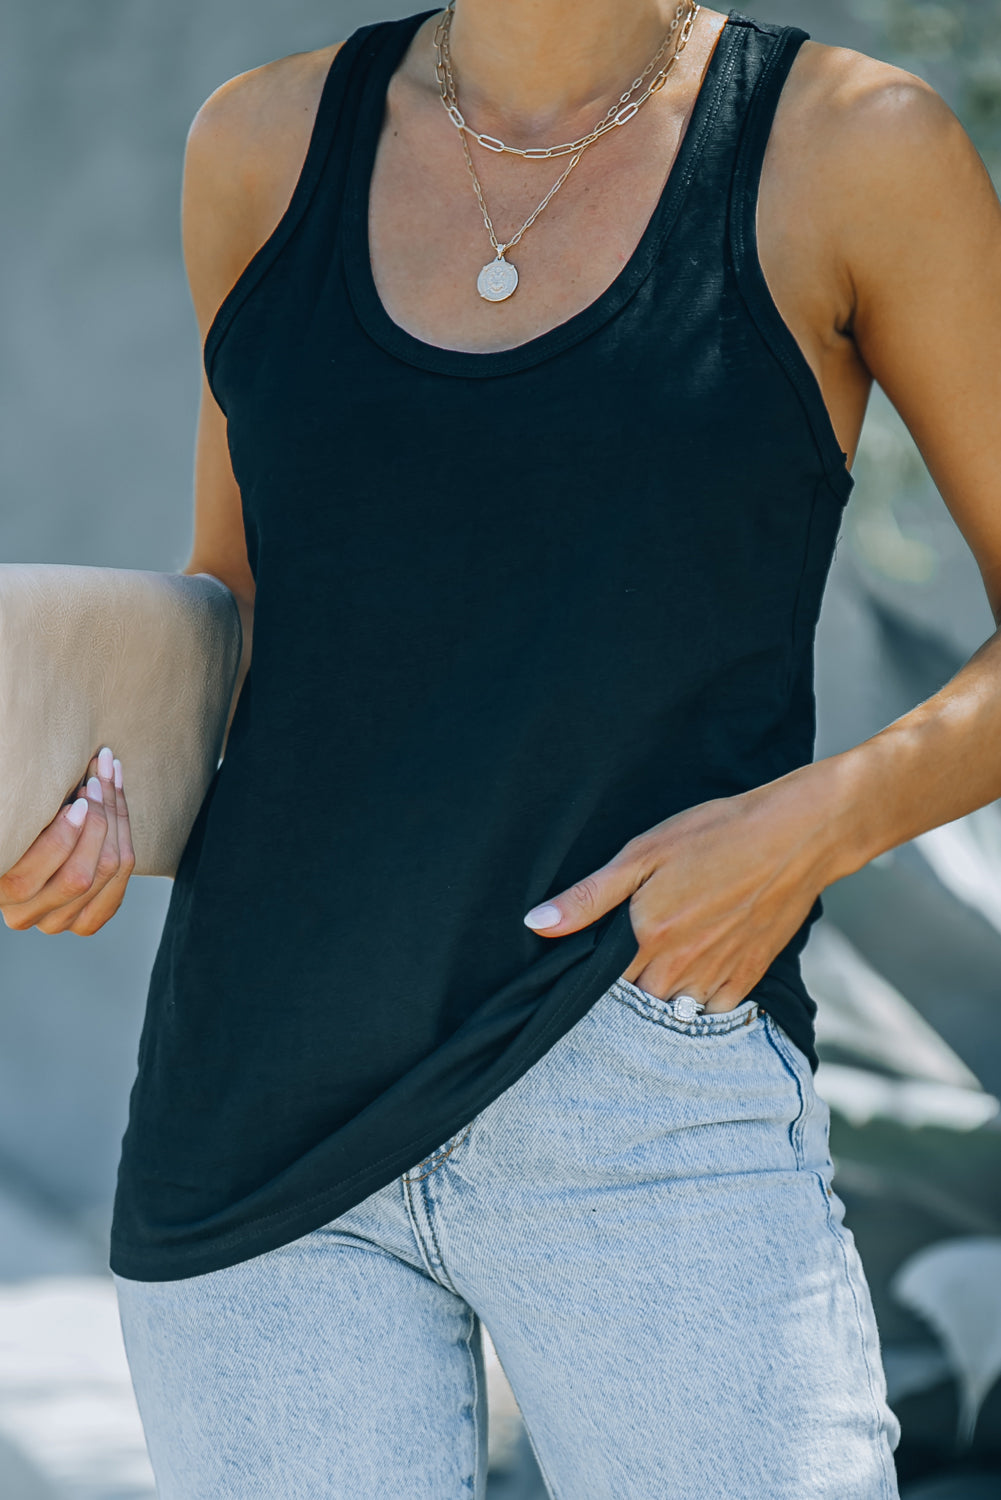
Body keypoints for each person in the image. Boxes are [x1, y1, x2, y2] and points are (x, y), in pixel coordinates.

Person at [4, 0, 1001, 1492]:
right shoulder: (262, 142)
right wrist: (89, 796)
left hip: (644, 1072)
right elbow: (249, 601)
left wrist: (803, 834)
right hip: (255, 1104)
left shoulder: (846, 146)